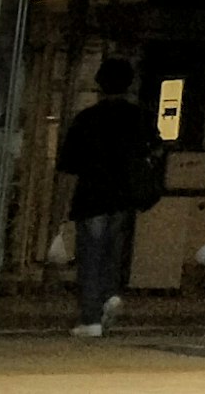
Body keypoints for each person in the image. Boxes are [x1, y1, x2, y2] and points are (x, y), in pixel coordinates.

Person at [52, 57, 160, 337]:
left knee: (91, 256)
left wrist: (61, 208)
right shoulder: (139, 116)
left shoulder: (86, 119)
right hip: (124, 197)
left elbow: (68, 166)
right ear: (128, 85)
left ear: (100, 85)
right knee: (113, 251)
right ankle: (111, 294)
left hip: (91, 197)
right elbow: (157, 149)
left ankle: (91, 319)